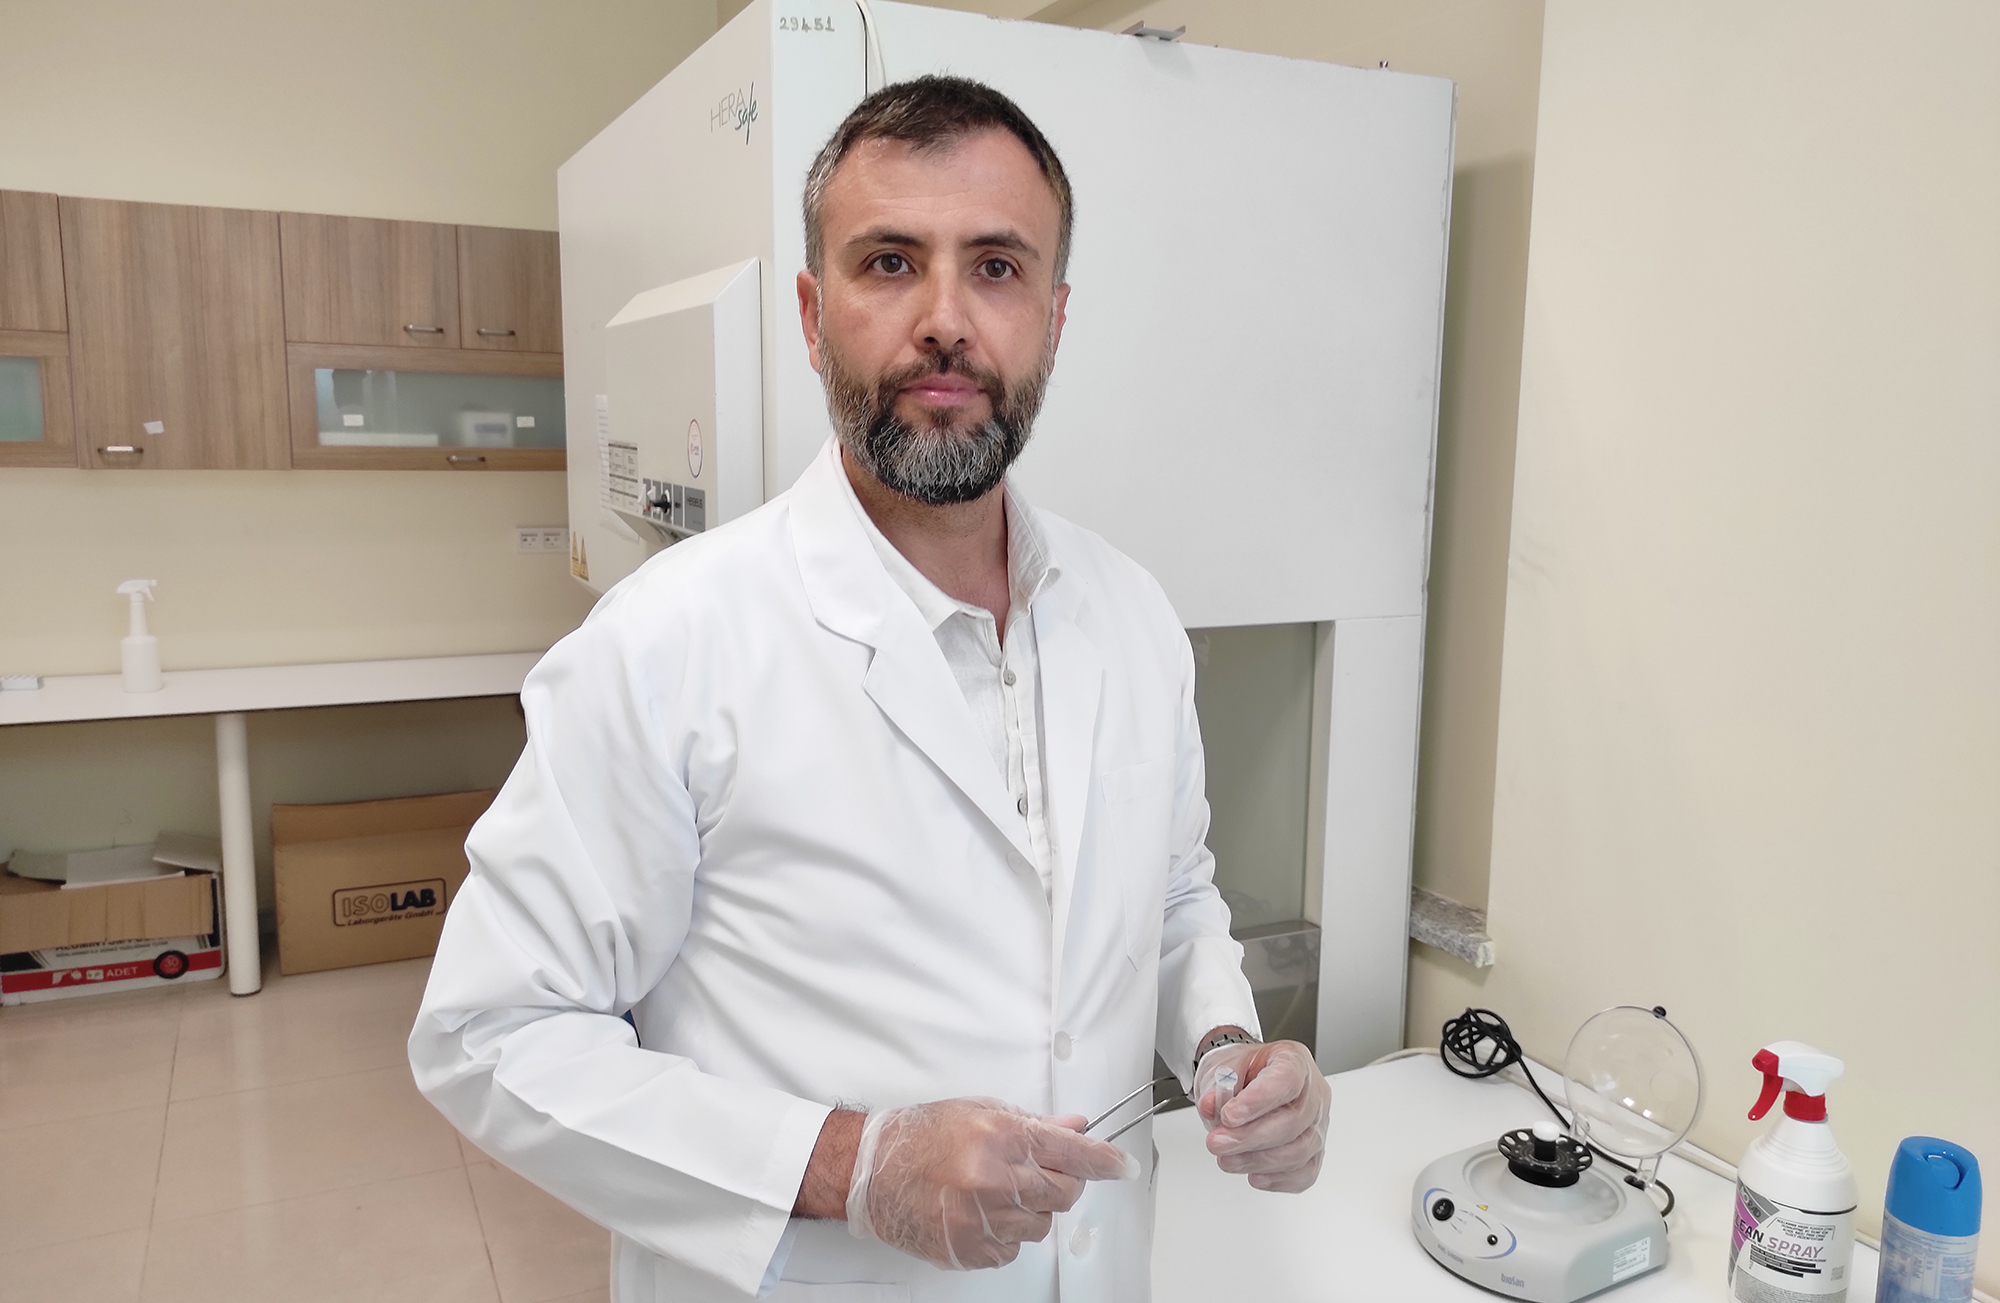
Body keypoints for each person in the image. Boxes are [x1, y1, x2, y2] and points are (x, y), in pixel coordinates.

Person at [409, 75, 1331, 1303]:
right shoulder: (667, 643)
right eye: (889, 263)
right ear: (811, 313)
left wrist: (1224, 1047)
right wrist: (849, 1163)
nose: (944, 320)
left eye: (995, 268)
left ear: (1053, 318)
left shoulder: (1131, 616)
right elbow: (490, 1033)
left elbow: (1168, 899)